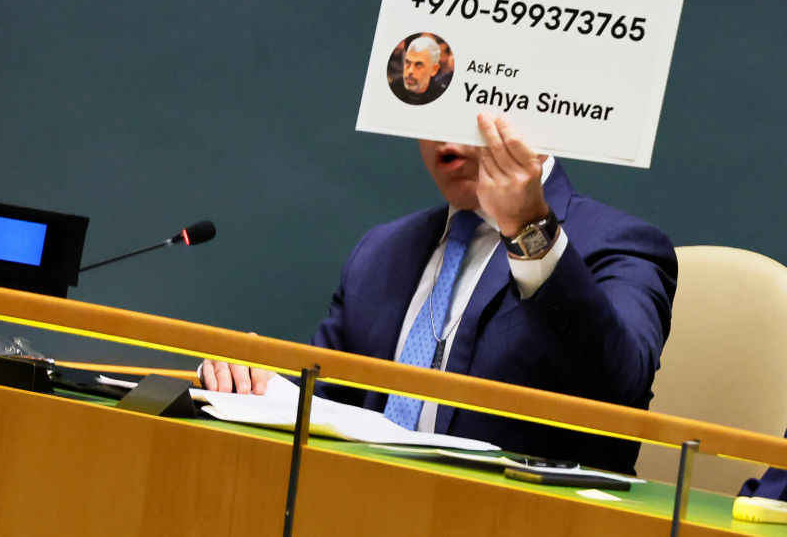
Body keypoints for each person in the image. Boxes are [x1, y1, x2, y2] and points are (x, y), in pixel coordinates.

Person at [202, 113, 676, 474]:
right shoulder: (381, 250)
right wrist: (255, 379)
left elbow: (618, 386)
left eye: (468, 108)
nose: (445, 138)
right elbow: (324, 396)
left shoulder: (619, 243)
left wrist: (531, 230)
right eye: (431, 110)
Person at [388, 36, 450, 105]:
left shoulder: (442, 98)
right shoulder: (391, 89)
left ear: (434, 70)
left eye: (418, 64)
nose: (410, 71)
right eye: (408, 62)